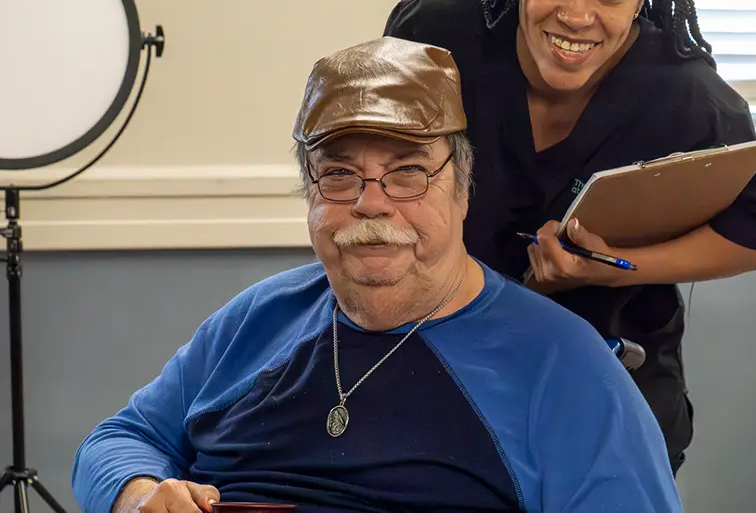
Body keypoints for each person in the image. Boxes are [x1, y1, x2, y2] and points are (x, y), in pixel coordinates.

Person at [71, 37, 684, 513]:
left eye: (408, 171)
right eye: (338, 175)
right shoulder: (258, 318)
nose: (371, 203)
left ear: (462, 189)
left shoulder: (564, 365)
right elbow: (117, 439)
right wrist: (137, 492)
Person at [382, 0, 756, 474]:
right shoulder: (440, 32)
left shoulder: (685, 95)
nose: (577, 15)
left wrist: (615, 271)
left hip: (612, 389)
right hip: (443, 374)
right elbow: (381, 163)